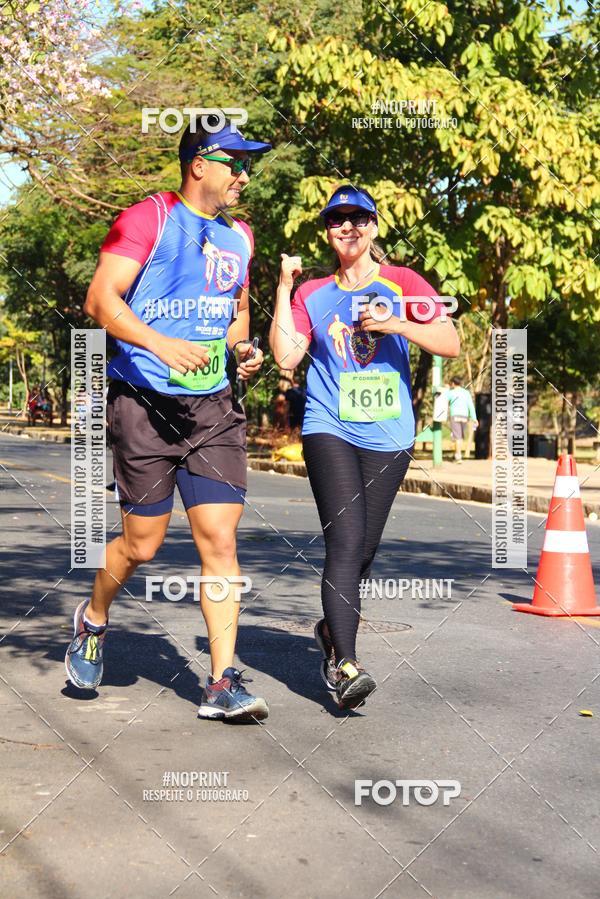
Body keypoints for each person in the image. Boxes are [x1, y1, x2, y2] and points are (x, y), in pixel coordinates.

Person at [65, 115, 272, 722]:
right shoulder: (147, 217)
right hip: (144, 402)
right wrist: (159, 344)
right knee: (143, 544)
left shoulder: (241, 237)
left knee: (220, 540)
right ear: (199, 164)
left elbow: (233, 312)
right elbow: (100, 300)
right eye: (236, 161)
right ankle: (94, 616)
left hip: (212, 407)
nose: (245, 174)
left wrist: (241, 349)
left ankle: (221, 681)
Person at [269, 185, 460, 710]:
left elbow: (450, 342)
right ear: (328, 231)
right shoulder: (313, 292)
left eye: (357, 218)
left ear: (374, 226)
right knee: (346, 540)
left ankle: (331, 632)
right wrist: (285, 287)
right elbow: (286, 357)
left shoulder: (403, 282)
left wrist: (397, 322)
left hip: (390, 434)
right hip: (329, 425)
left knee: (364, 549)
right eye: (336, 220)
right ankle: (344, 665)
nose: (347, 227)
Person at [447, 375, 478, 462]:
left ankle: (458, 456)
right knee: (459, 437)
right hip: (464, 416)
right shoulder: (466, 392)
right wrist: (474, 418)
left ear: (453, 383)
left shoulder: (451, 392)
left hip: (455, 416)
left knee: (457, 437)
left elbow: (444, 399)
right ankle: (457, 453)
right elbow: (470, 406)